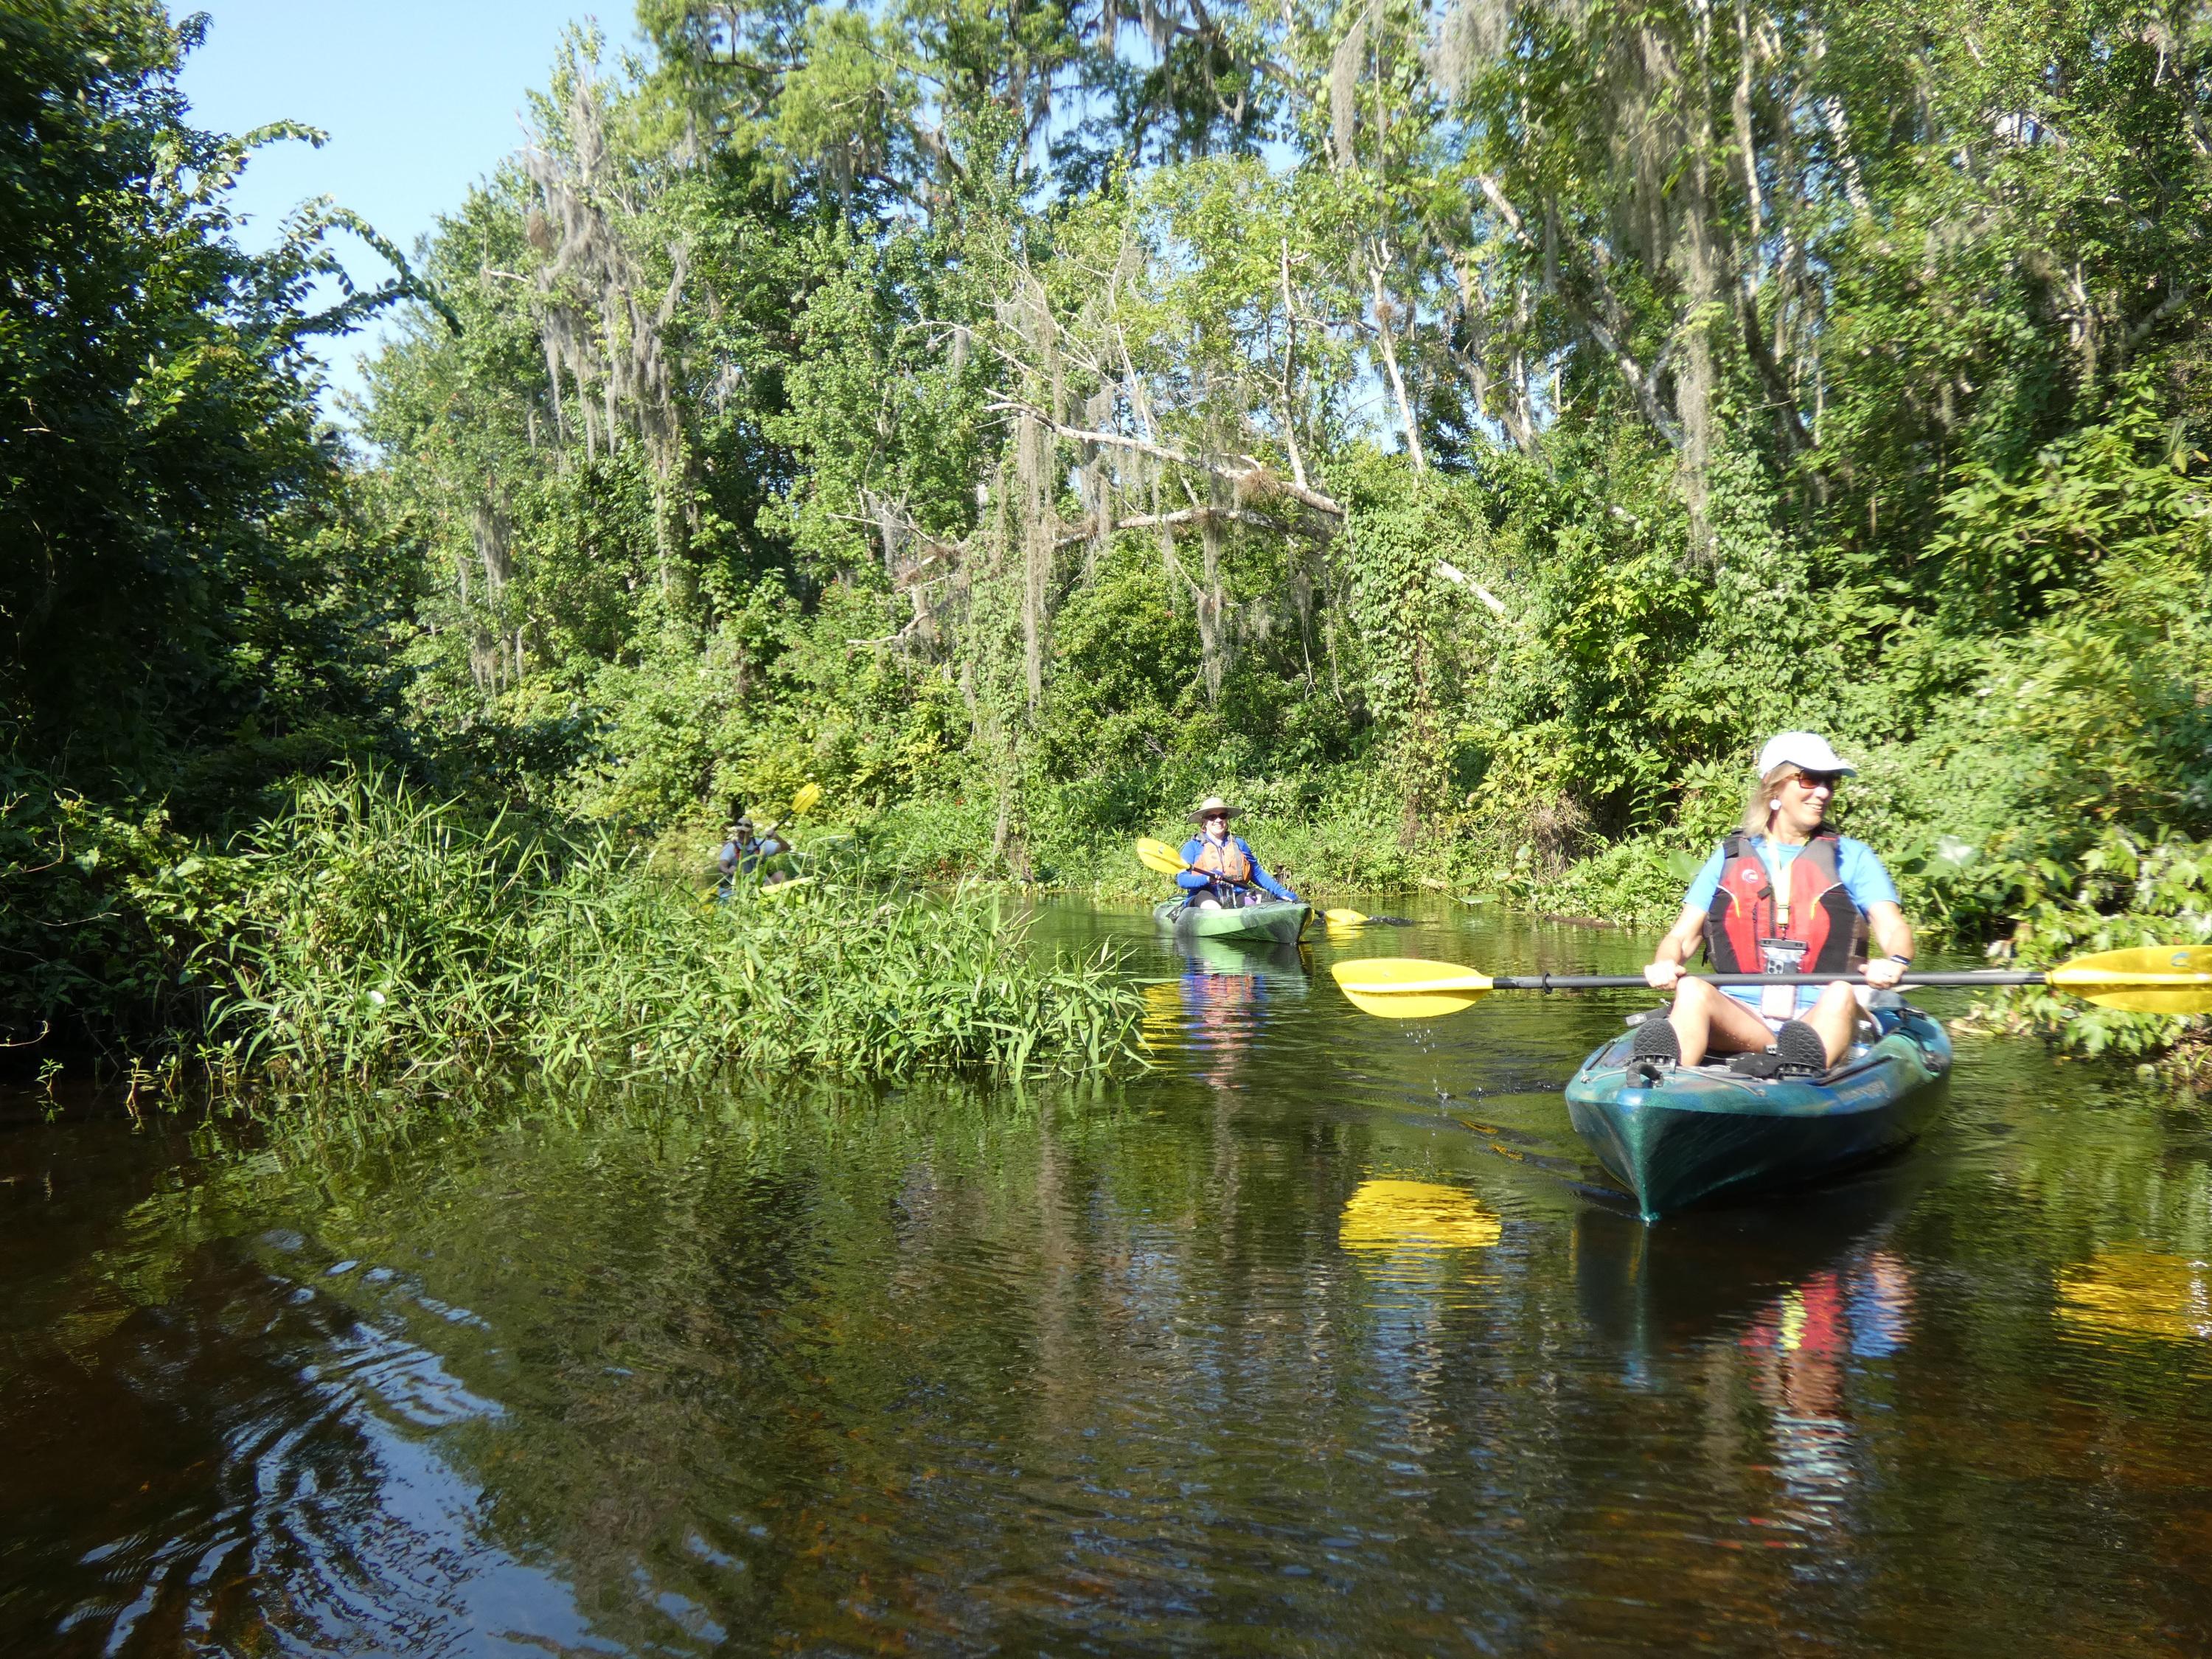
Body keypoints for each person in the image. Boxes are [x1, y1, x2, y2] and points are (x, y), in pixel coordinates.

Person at [1634, 733, 1915, 1073]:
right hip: (1744, 1020)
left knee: (1841, 991)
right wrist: (1665, 962)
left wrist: (1896, 960)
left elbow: (1892, 927)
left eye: (1830, 782)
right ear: (1774, 786)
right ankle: (1662, 1082)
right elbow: (1681, 937)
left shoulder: (1854, 857)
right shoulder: (1731, 856)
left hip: (1821, 1015)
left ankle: (1802, 1074)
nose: (1823, 792)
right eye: (1809, 779)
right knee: (1692, 988)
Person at [1175, 796, 1301, 909]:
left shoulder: (1239, 844)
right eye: (1212, 817)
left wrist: (1282, 893)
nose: (1218, 820)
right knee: (1212, 906)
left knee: (1265, 900)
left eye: (1222, 816)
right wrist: (1207, 878)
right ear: (1204, 822)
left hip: (1238, 896)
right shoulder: (1192, 847)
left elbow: (1257, 874)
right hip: (1204, 896)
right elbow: (1183, 880)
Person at [716, 814, 790, 895]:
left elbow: (786, 848)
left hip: (759, 884)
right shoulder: (731, 846)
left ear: (751, 832)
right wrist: (729, 870)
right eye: (740, 832)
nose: (741, 835)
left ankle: (787, 899)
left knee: (780, 875)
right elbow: (722, 866)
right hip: (739, 887)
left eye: (744, 832)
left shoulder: (760, 843)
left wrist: (777, 837)